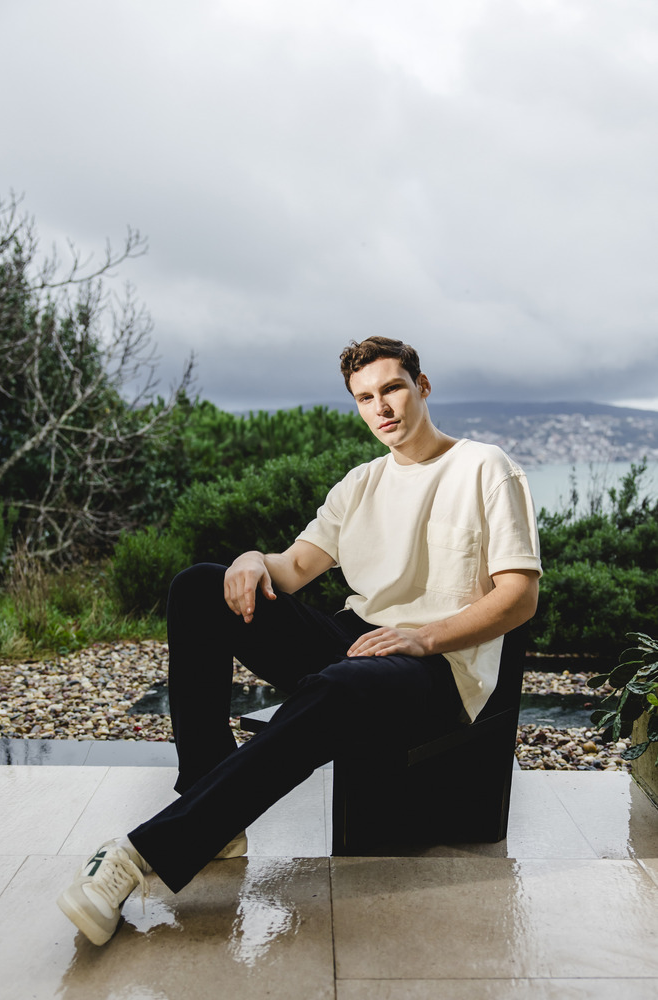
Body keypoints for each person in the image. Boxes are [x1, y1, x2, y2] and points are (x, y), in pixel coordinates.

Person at [57, 336, 541, 946]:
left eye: (392, 388)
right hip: (356, 641)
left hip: (437, 664)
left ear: (421, 386)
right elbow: (290, 568)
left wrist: (423, 638)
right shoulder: (360, 484)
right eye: (365, 397)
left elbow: (519, 595)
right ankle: (210, 804)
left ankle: (140, 855)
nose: (381, 408)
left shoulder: (484, 467)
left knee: (341, 683)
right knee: (199, 587)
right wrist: (250, 559)